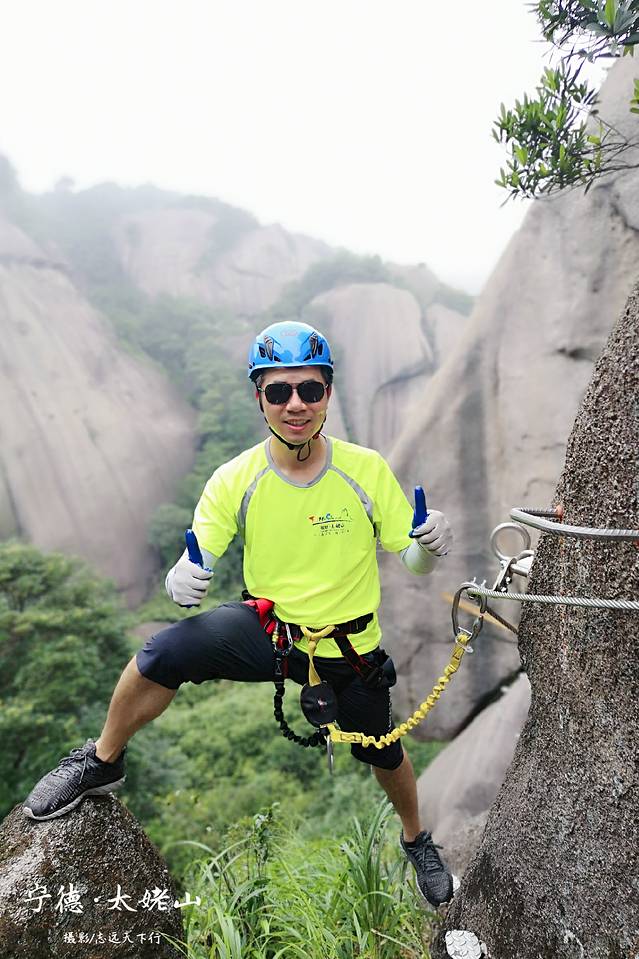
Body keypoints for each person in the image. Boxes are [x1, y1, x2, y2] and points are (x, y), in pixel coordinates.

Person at [23, 320, 456, 908]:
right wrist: (183, 581)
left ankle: (416, 839)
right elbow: (198, 554)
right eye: (278, 391)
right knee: (161, 654)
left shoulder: (365, 469)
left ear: (329, 393)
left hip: (348, 646)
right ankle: (102, 760)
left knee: (381, 748)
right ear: (259, 397)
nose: (295, 404)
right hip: (270, 632)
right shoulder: (236, 479)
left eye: (309, 389)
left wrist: (427, 547)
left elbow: (412, 559)